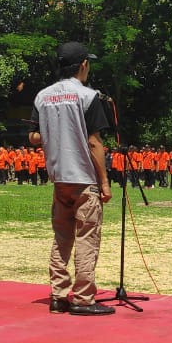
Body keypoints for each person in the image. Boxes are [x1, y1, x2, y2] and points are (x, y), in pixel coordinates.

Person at [30, 42, 115, 316]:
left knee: (62, 237)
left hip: (59, 179)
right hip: (84, 178)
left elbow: (33, 136)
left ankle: (58, 295)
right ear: (83, 65)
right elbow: (94, 142)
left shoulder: (42, 96)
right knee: (87, 238)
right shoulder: (88, 97)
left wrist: (57, 133)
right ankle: (83, 298)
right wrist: (104, 181)